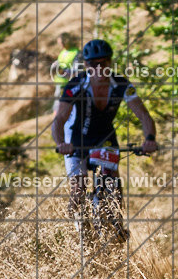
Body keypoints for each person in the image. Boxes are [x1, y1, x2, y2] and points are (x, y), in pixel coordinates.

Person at [51, 39, 158, 232]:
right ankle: (71, 233)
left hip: (105, 137)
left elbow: (144, 115)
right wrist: (61, 143)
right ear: (86, 65)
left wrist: (149, 139)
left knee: (113, 184)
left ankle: (117, 224)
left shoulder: (121, 84)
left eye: (103, 63)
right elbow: (59, 119)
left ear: (110, 62)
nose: (99, 68)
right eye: (93, 64)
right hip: (77, 139)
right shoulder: (76, 84)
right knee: (79, 187)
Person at [52, 33, 82, 114]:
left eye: (61, 43)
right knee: (57, 108)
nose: (60, 45)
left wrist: (62, 71)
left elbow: (77, 73)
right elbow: (59, 63)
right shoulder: (63, 52)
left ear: (67, 41)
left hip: (69, 86)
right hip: (59, 83)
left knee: (64, 110)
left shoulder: (77, 53)